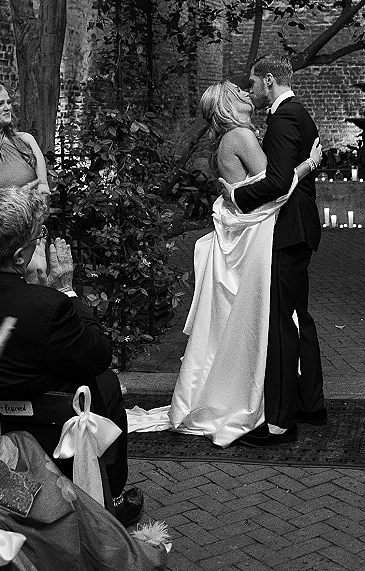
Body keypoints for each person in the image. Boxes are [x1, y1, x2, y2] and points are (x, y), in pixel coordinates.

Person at [127, 80, 321, 448]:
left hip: (246, 234)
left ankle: (248, 395)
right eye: (240, 91)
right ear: (229, 104)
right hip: (252, 238)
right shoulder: (241, 137)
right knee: (259, 319)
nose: (248, 93)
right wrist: (309, 164)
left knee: (242, 321)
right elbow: (276, 190)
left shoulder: (233, 138)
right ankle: (254, 402)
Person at [0, 186, 143, 527]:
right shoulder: (47, 307)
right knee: (106, 382)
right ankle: (107, 498)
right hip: (47, 433)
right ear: (19, 257)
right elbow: (98, 355)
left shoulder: (37, 304)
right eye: (38, 238)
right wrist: (66, 289)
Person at [0, 318, 169, 570]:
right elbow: (98, 354)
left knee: (24, 446)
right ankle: (110, 535)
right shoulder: (49, 309)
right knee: (53, 497)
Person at [226, 55, 326, 447]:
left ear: (269, 80)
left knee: (281, 324)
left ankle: (281, 423)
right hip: (300, 229)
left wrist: (235, 196)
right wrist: (308, 165)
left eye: (252, 83)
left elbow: (278, 182)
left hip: (287, 231)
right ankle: (310, 404)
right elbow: (296, 171)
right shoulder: (299, 113)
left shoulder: (284, 118)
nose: (250, 90)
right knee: (299, 317)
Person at [0, 80, 50, 202]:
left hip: (30, 213)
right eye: (0, 104)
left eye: (8, 102)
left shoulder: (27, 140)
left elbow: (43, 186)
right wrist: (12, 198)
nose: (7, 108)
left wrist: (41, 193)